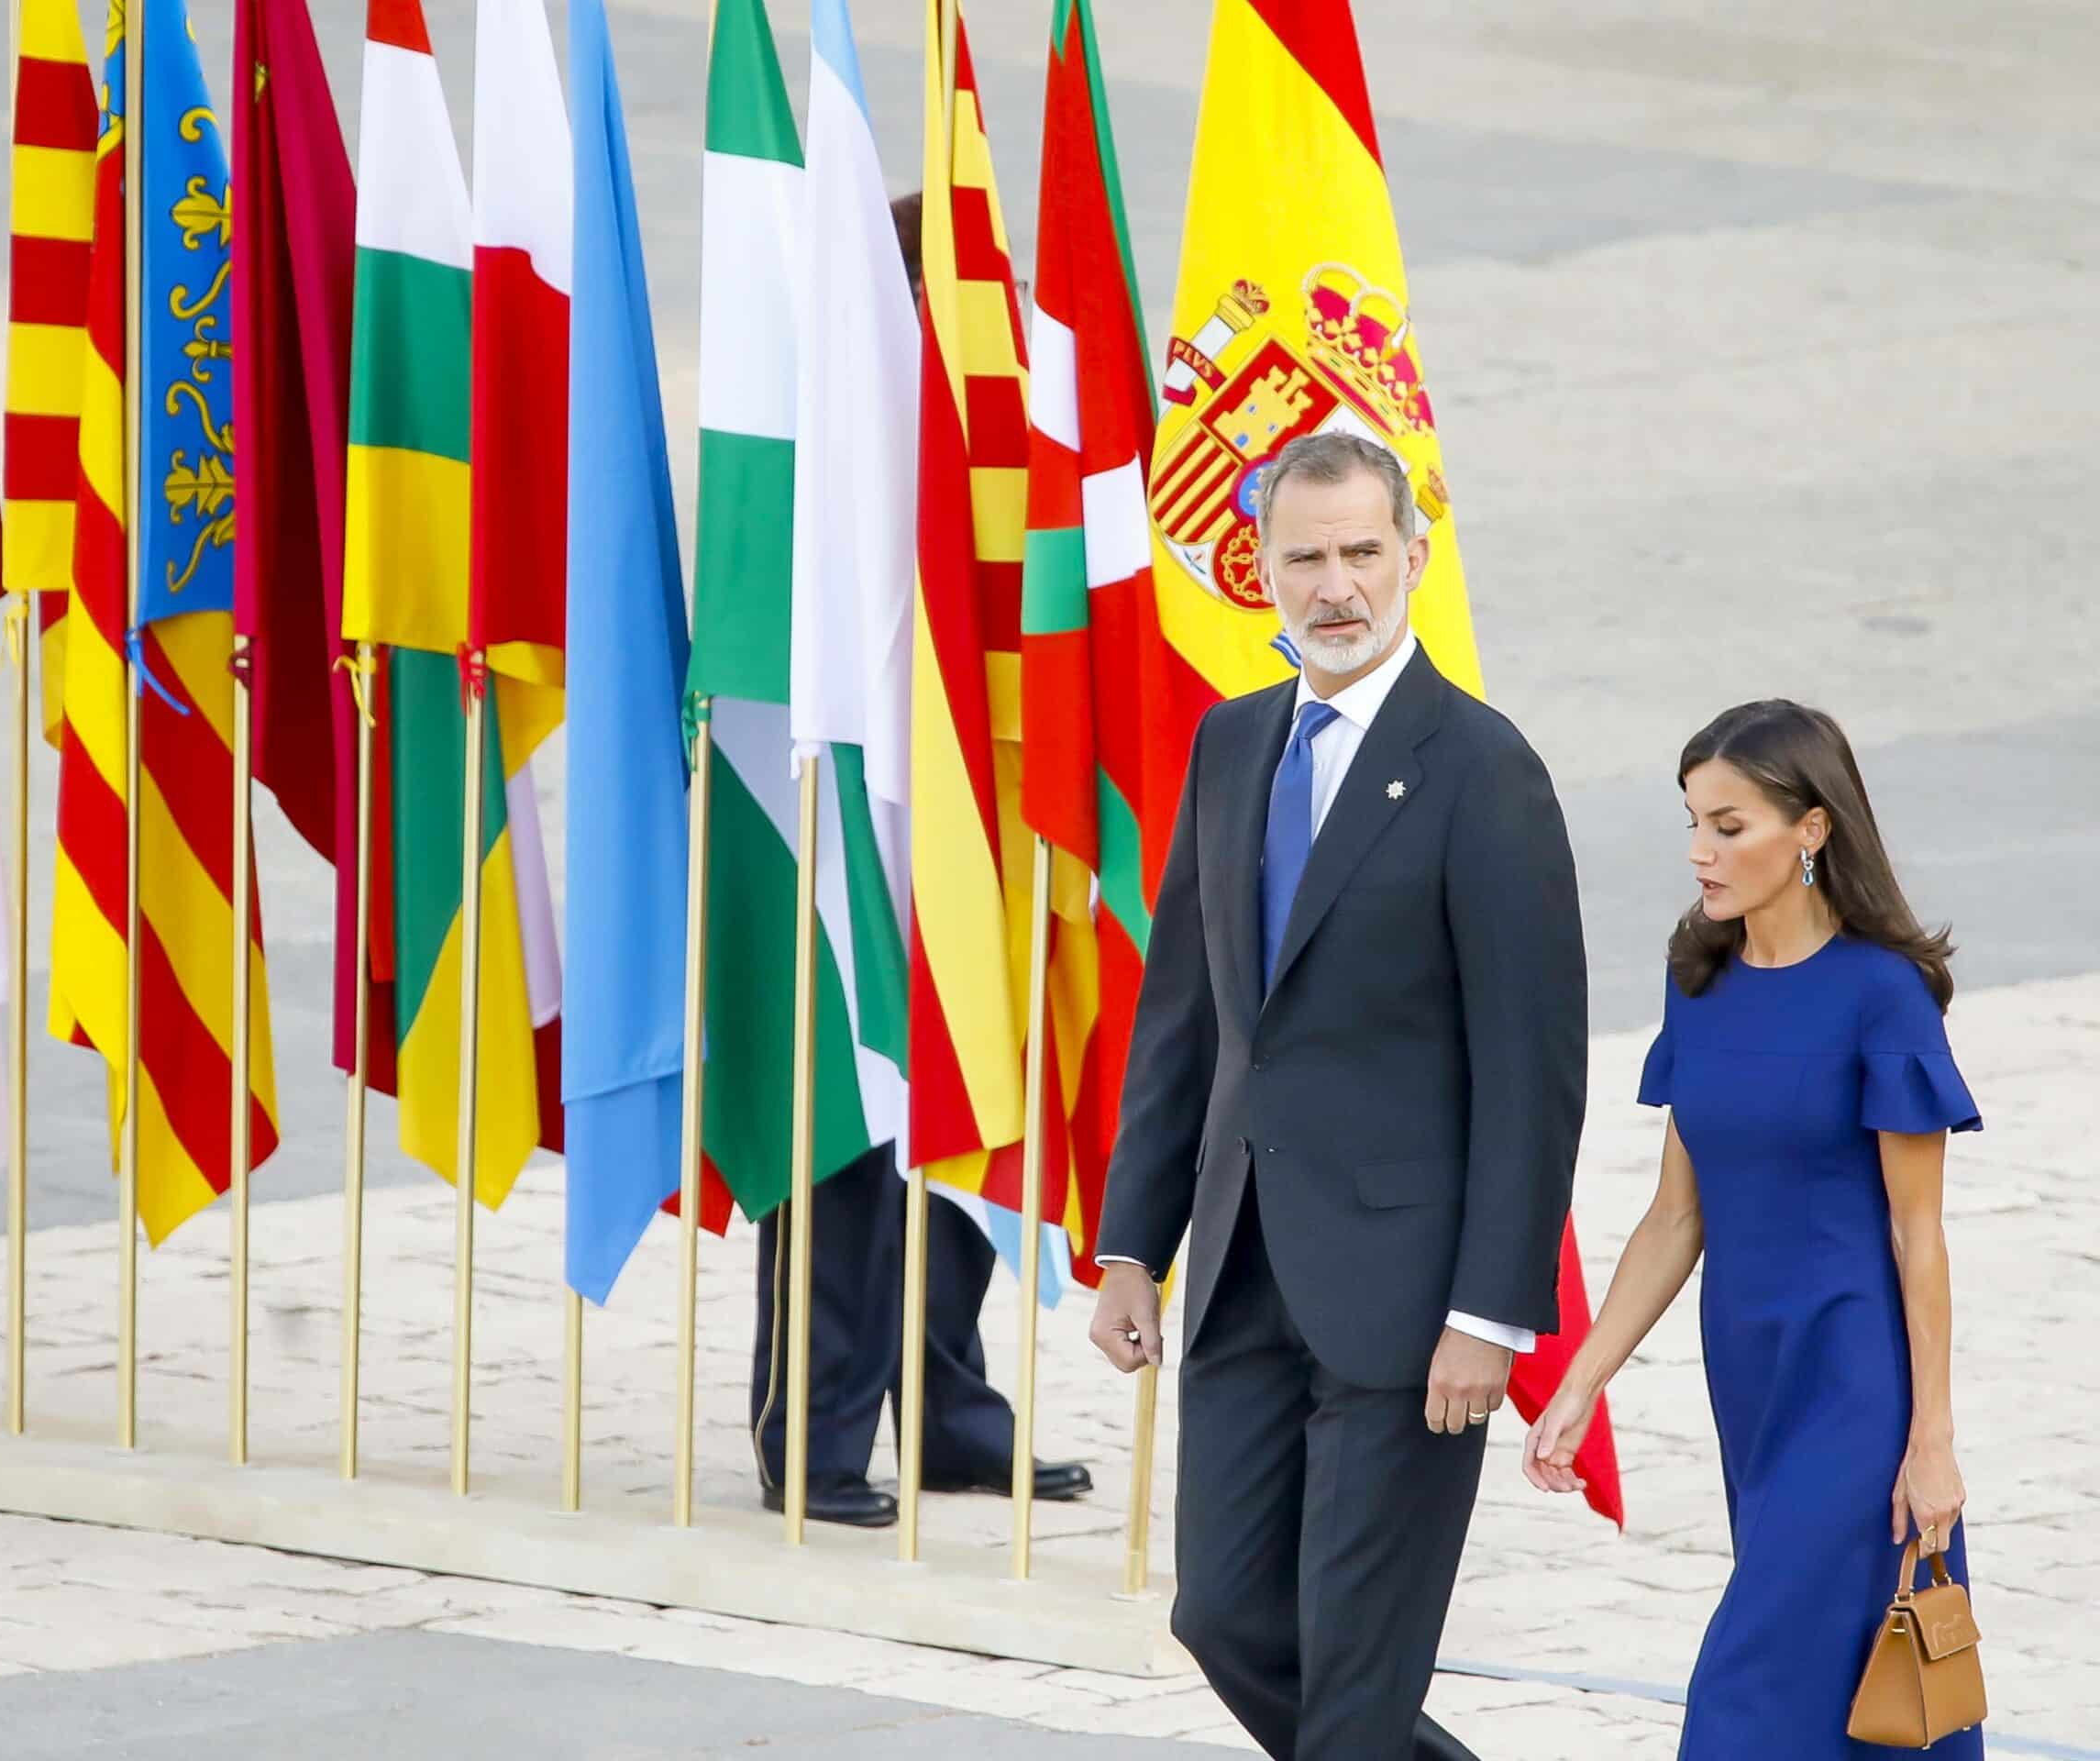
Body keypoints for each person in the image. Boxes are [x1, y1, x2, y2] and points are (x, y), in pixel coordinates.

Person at [1089, 429, 1586, 1759]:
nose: (1336, 585)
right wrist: (1133, 1244)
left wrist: (1492, 1315)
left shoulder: (1482, 769)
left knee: (1357, 1692)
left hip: (1413, 1307)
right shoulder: (1231, 743)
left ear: (1414, 558)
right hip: (1245, 1275)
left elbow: (1532, 1075)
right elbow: (1184, 1015)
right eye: (1304, 557)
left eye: (1364, 552)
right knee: (1228, 1616)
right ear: (1259, 570)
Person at [1525, 701, 1982, 1759]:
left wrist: (1933, 1443)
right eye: (1693, 821)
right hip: (1751, 1375)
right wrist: (1583, 1377)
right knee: (1839, 1678)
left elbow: (1922, 1241)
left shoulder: (1882, 996)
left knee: (1753, 1679)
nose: (1700, 852)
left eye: (1729, 827)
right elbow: (1676, 1215)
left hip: (1855, 1383)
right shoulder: (1704, 980)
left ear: (1811, 830)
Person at [747, 190, 1090, 1530]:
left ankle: (949, 1417)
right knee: (844, 1131)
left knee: (960, 1113)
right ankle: (815, 1435)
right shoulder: (825, 445)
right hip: (845, 813)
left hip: (972, 812)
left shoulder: (997, 441)